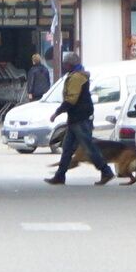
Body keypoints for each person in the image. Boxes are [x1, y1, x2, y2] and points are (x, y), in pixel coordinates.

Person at [48, 51, 104, 185]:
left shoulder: (76, 77)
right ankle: (60, 175)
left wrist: (57, 113)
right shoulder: (76, 76)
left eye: (65, 64)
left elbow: (71, 99)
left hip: (80, 118)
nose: (64, 66)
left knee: (88, 147)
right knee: (67, 148)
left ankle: (105, 170)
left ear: (71, 64)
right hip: (76, 118)